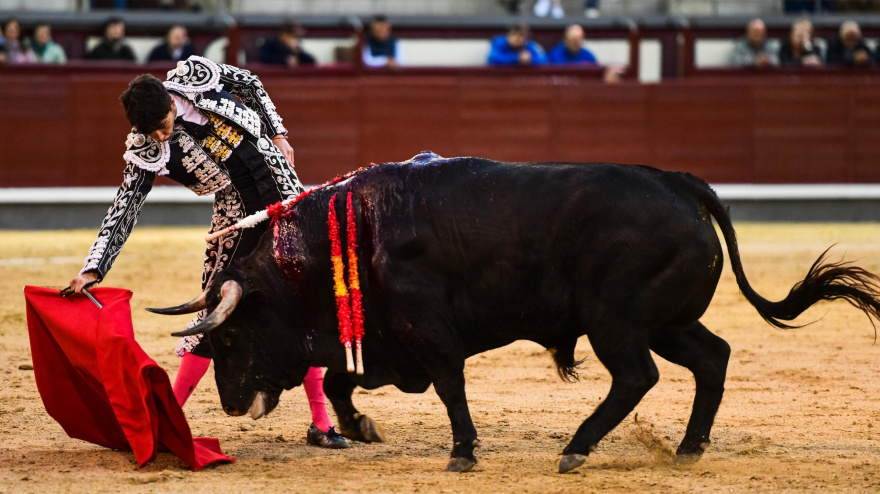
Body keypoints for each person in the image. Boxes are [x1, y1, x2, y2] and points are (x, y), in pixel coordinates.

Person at [66, 55, 351, 449]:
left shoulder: (195, 76)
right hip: (238, 224)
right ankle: (167, 420)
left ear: (170, 101)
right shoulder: (146, 147)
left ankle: (322, 424)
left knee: (305, 308)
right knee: (216, 317)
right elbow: (124, 208)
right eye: (151, 133)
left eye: (163, 127)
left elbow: (250, 82)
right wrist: (93, 268)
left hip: (288, 202)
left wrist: (278, 133)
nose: (160, 138)